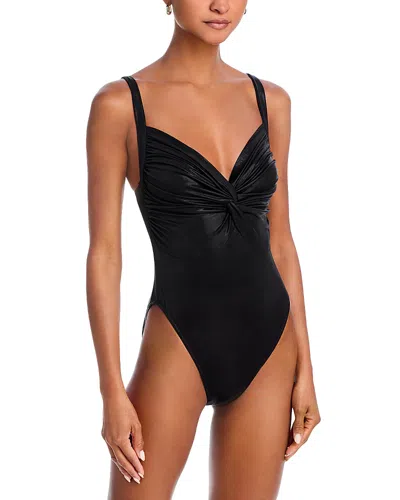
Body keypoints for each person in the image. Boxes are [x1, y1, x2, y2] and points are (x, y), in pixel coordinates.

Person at [86, 1, 321, 498]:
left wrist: (307, 369)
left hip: (271, 345)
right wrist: (111, 390)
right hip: (178, 342)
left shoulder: (270, 101)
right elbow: (104, 254)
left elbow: (281, 241)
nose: (220, 4)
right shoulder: (120, 105)